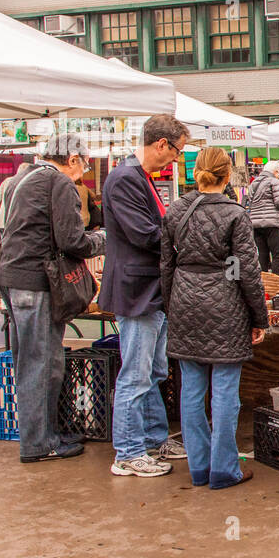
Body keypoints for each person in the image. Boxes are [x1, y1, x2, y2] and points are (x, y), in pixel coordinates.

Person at [161, 147, 268, 490]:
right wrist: (259, 317)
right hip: (225, 307)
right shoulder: (235, 214)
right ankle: (224, 469)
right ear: (227, 176)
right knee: (224, 392)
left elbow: (165, 267)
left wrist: (171, 306)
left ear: (196, 173)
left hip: (184, 303)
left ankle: (200, 467)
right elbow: (246, 272)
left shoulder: (175, 211)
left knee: (191, 391)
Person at [0, 134, 105, 463]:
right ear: (72, 159)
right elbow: (72, 240)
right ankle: (39, 443)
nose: (82, 172)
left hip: (13, 278)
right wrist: (103, 238)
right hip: (35, 282)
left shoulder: (22, 178)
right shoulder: (58, 182)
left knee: (30, 362)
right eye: (83, 164)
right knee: (42, 365)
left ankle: (41, 436)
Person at [101, 113, 188, 478]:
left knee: (151, 371)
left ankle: (152, 438)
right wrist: (184, 240)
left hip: (149, 290)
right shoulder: (125, 180)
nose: (177, 159)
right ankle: (128, 451)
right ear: (161, 144)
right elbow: (144, 234)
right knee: (136, 375)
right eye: (177, 151)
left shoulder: (138, 178)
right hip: (137, 291)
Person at [247, 160, 279, 275]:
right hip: (272, 222)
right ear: (276, 172)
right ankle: (276, 284)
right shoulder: (274, 181)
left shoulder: (253, 183)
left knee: (263, 254)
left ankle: (264, 284)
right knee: (277, 256)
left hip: (255, 223)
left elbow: (251, 201)